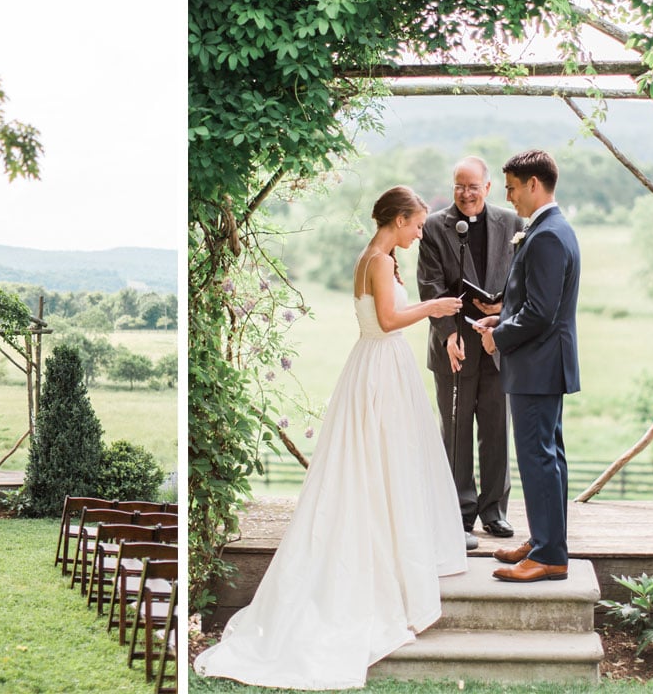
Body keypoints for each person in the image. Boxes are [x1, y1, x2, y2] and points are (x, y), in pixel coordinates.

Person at [194, 186, 467, 690]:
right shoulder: (380, 261)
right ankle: (386, 563)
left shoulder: (372, 256)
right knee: (387, 464)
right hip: (381, 365)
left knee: (381, 466)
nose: (418, 233)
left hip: (374, 364)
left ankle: (393, 544)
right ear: (398, 219)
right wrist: (433, 308)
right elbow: (387, 321)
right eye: (416, 225)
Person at [473, 150, 580, 583]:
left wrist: (497, 336)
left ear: (534, 184)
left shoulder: (549, 235)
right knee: (546, 457)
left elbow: (541, 314)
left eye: (513, 188)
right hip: (541, 363)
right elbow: (533, 303)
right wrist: (503, 314)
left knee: (539, 458)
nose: (510, 197)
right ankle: (542, 541)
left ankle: (550, 555)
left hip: (538, 365)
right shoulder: (548, 229)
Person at [417, 156, 524, 542]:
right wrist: (448, 333)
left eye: (473, 186)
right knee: (456, 432)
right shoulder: (433, 227)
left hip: (497, 344)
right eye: (459, 186)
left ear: (488, 187)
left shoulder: (512, 224)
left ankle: (494, 511)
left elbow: (522, 282)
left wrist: (503, 309)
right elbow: (429, 286)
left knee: (497, 430)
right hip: (453, 346)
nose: (465, 193)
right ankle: (458, 512)